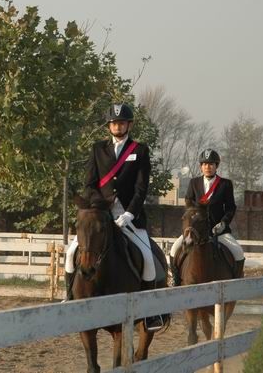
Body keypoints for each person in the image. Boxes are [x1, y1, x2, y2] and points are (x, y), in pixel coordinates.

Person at [64, 103, 164, 330]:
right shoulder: (98, 149)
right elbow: (89, 184)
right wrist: (98, 205)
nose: (117, 126)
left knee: (148, 259)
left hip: (129, 215)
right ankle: (69, 298)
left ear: (129, 124)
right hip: (101, 213)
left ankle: (150, 314)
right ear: (109, 126)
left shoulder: (140, 150)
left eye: (121, 122)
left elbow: (141, 188)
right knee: (71, 254)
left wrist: (129, 213)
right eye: (114, 123)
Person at [169, 149, 245, 285]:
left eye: (211, 164)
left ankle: (237, 283)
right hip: (196, 230)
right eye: (204, 164)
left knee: (238, 252)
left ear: (216, 166)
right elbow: (188, 202)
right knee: (174, 249)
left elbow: (230, 207)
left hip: (218, 230)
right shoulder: (194, 183)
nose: (207, 167)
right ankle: (175, 279)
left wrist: (223, 223)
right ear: (200, 166)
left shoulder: (225, 184)